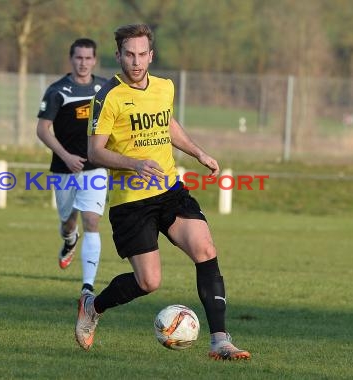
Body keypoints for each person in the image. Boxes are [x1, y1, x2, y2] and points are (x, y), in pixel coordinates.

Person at [75, 24, 251, 361]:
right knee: (149, 282)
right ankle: (92, 306)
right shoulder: (107, 96)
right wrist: (133, 163)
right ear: (118, 55)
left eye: (142, 54)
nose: (136, 61)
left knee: (205, 248)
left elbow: (166, 123)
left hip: (169, 191)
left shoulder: (163, 87)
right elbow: (95, 152)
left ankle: (220, 341)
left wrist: (197, 152)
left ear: (151, 55)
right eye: (129, 54)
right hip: (132, 202)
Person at [36, 38, 107, 295]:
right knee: (68, 222)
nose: (83, 63)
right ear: (71, 59)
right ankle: (69, 239)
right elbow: (42, 130)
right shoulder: (58, 91)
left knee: (91, 220)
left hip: (95, 168)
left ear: (95, 60)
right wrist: (66, 156)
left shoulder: (104, 88)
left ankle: (87, 287)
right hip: (64, 169)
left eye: (88, 58)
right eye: (79, 58)